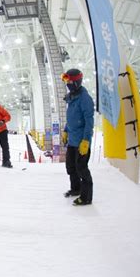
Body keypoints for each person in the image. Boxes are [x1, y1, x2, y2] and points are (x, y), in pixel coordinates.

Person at [61, 68, 94, 206]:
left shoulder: (85, 99)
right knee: (71, 167)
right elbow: (71, 119)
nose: (67, 84)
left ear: (75, 82)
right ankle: (76, 189)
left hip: (81, 141)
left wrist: (86, 140)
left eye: (68, 81)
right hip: (72, 141)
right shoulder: (72, 97)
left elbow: (89, 121)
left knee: (81, 169)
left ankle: (86, 197)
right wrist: (65, 131)